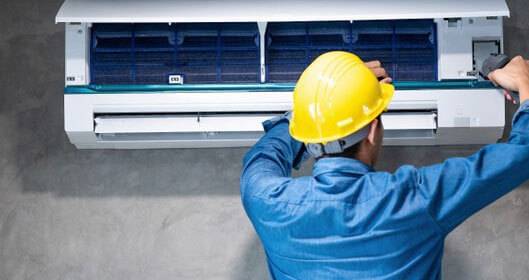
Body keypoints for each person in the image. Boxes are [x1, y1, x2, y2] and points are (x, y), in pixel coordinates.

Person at [240, 51, 529, 279]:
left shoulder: (266, 200)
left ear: (308, 133)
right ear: (373, 130)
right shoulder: (415, 198)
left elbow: (267, 152)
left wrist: (326, 98)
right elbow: (522, 153)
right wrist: (524, 81)